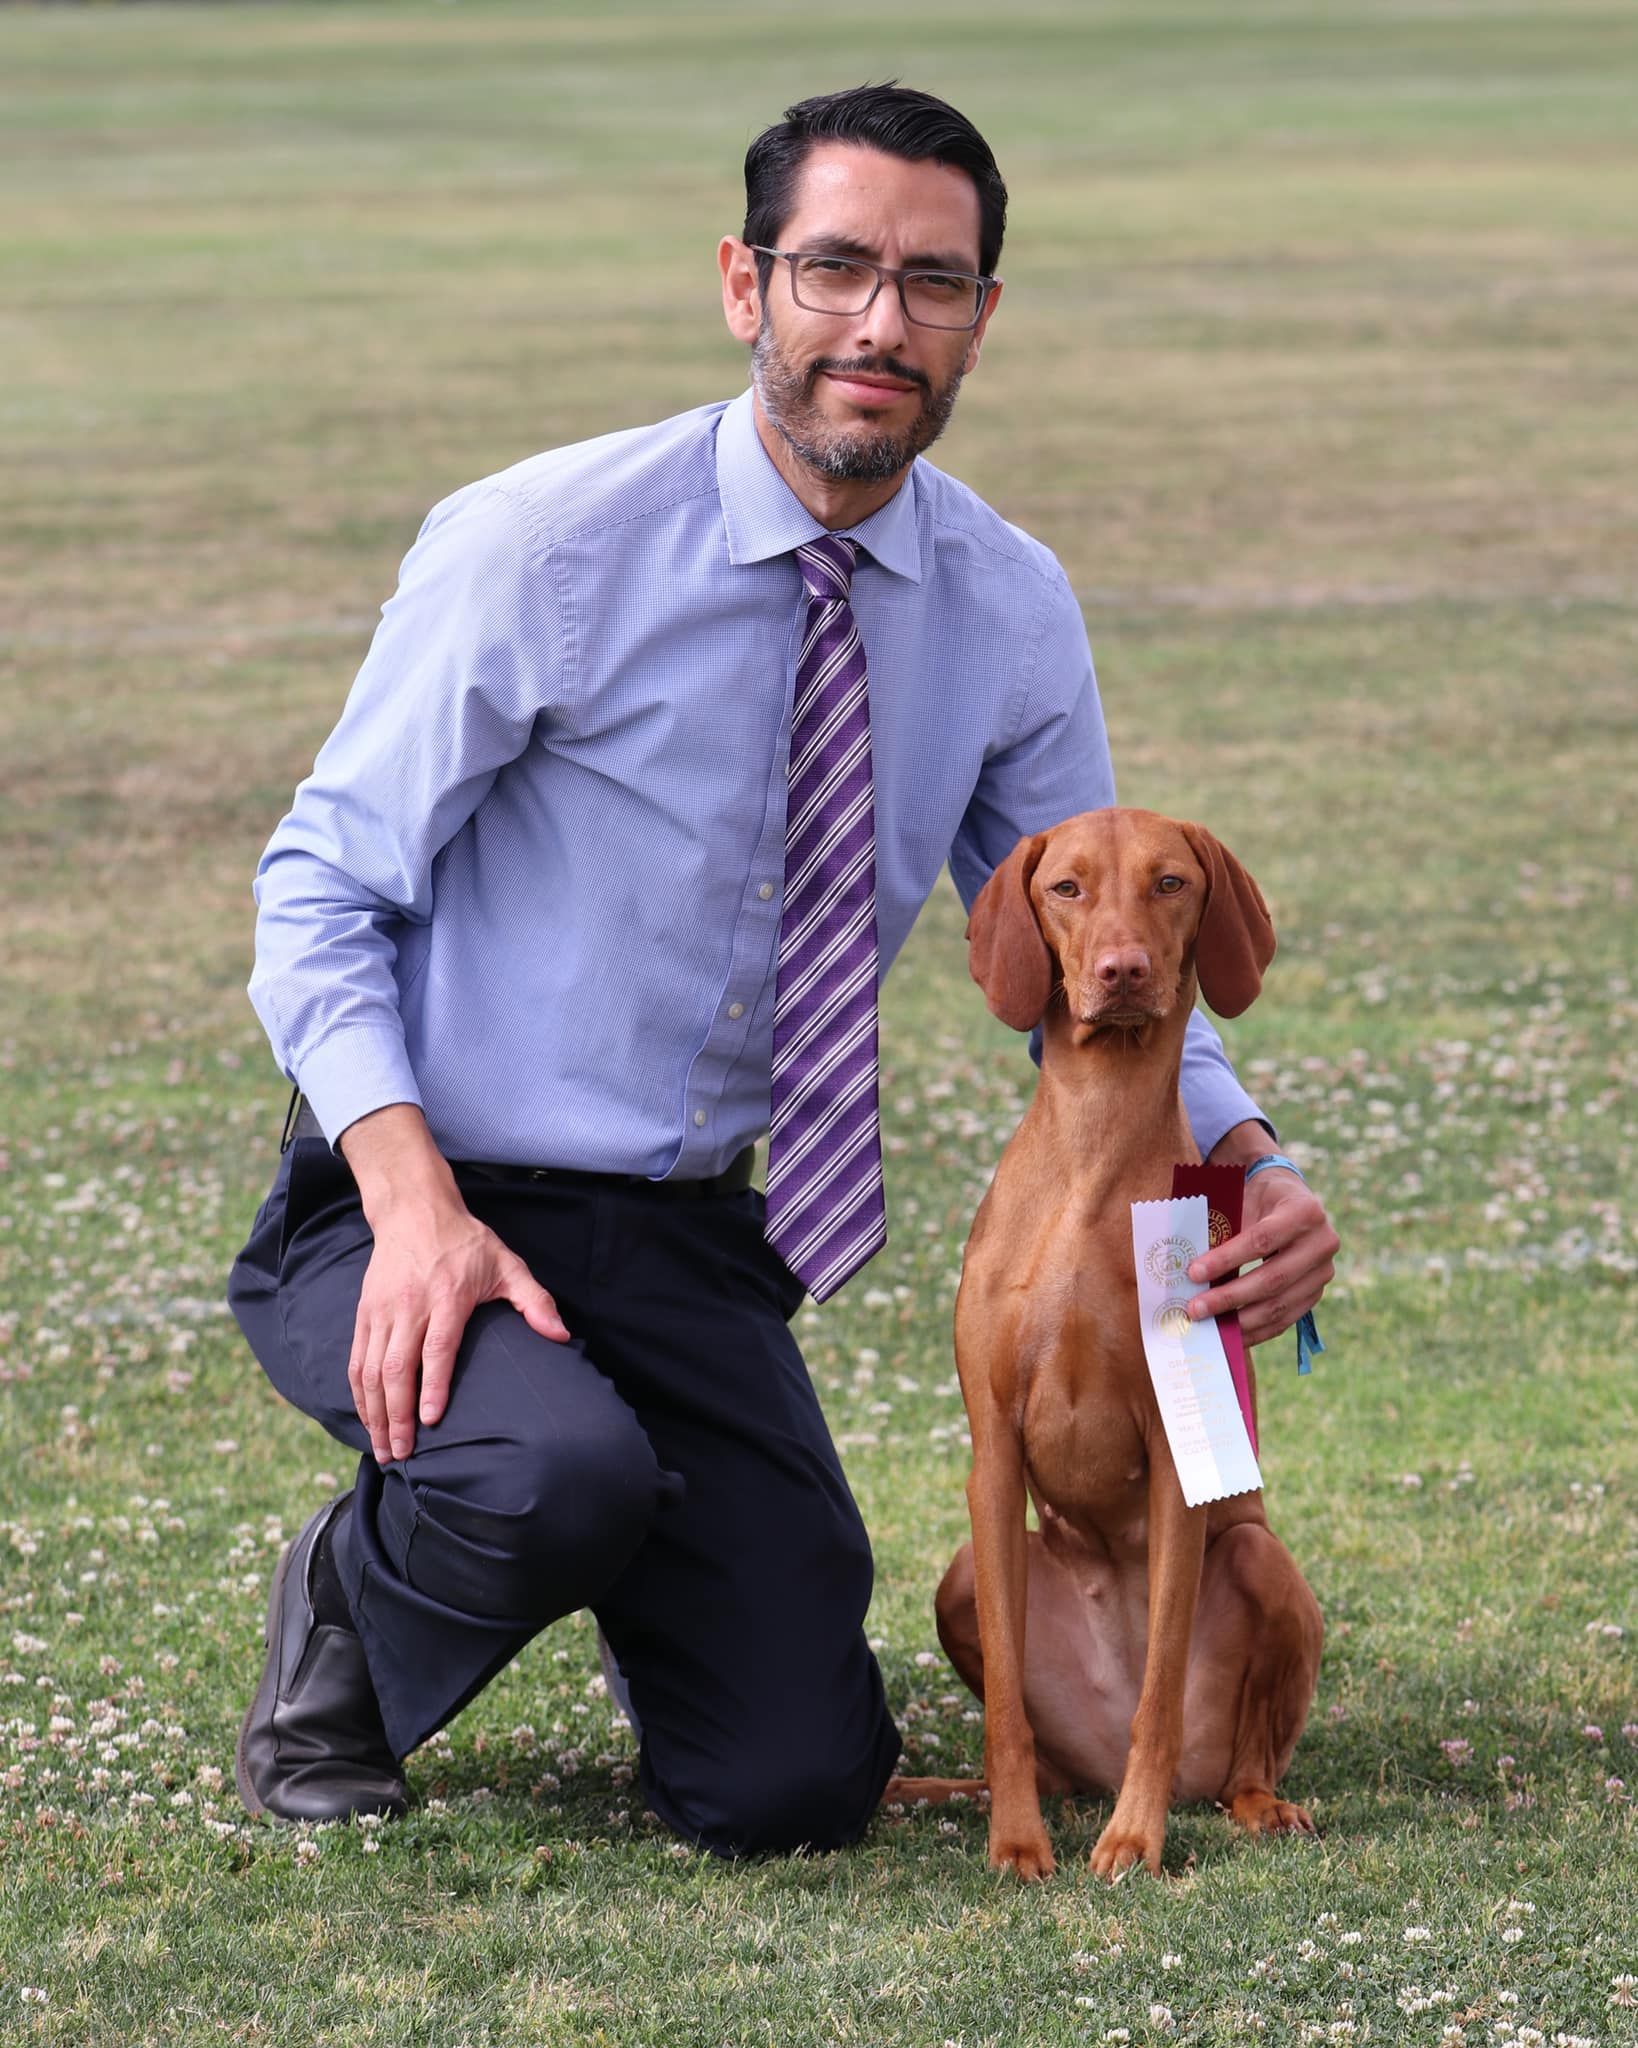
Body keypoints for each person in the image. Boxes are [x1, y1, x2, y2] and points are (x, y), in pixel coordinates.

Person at [227, 83, 1338, 1856]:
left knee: (793, 1787)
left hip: (684, 1232)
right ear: (746, 287)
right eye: (834, 269)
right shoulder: (544, 542)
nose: (880, 325)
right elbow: (317, 885)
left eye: (935, 282)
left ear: (984, 316)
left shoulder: (1002, 604)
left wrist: (1250, 1158)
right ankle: (349, 1621)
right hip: (423, 1186)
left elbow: (1095, 955)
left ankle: (639, 1577)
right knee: (549, 1478)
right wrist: (408, 1194)